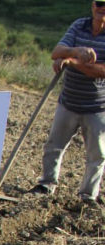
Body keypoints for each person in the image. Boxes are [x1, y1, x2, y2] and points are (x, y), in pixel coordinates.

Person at [30, 1, 105, 206]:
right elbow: (56, 52)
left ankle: (88, 196)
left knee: (97, 154)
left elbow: (101, 71)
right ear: (92, 6)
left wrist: (71, 61)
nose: (102, 7)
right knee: (54, 145)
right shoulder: (79, 25)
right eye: (99, 3)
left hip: (97, 107)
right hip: (68, 102)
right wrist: (76, 51)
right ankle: (46, 184)